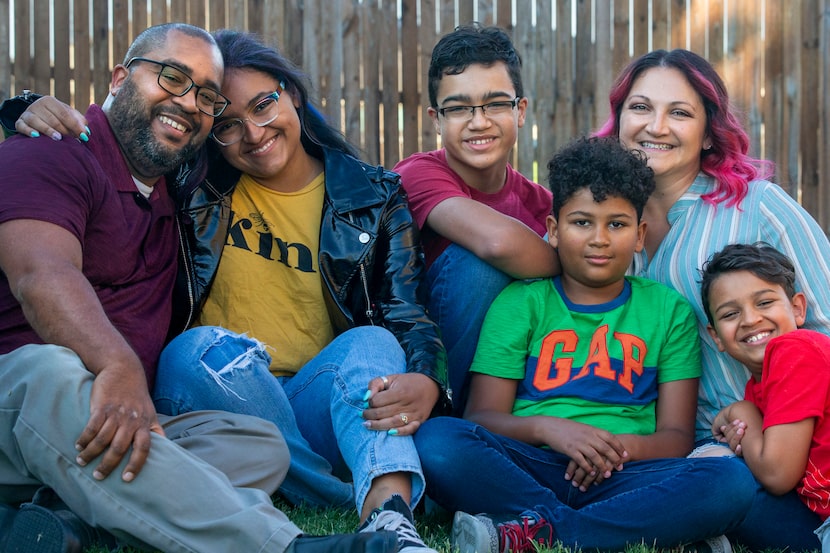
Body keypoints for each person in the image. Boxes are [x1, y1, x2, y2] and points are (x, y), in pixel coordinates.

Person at [4, 29, 448, 553]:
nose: (252, 132)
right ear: (120, 79)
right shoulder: (84, 162)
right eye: (172, 77)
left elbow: (402, 307)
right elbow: (44, 272)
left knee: (260, 445)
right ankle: (289, 544)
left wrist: (427, 376)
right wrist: (24, 109)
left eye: (207, 97)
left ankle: (46, 516)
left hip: (281, 403)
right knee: (71, 367)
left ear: (293, 96)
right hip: (67, 390)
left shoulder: (181, 185)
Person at [413, 136, 756, 553]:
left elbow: (676, 437)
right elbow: (484, 416)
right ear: (554, 230)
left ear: (639, 234)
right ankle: (638, 530)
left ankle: (537, 530)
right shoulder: (522, 302)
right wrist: (551, 430)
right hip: (532, 464)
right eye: (581, 222)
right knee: (439, 442)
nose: (599, 238)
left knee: (729, 480)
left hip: (625, 473)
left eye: (616, 224)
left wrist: (612, 451)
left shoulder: (669, 312)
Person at [594, 47, 830, 550]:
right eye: (640, 107)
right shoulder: (603, 228)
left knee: (728, 485)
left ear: (708, 132)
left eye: (679, 112)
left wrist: (763, 420)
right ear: (618, 120)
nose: (656, 126)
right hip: (679, 450)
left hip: (787, 457)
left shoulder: (760, 207)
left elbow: (826, 328)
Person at [394, 23, 559, 415]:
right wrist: (568, 262)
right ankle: (443, 413)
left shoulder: (540, 204)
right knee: (479, 266)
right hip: (425, 361)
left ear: (520, 111)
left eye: (496, 104)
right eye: (459, 108)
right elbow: (496, 243)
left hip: (508, 374)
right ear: (436, 119)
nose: (479, 121)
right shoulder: (417, 174)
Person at [700, 243, 827, 547]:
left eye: (764, 302)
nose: (750, 319)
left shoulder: (796, 350)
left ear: (797, 308)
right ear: (715, 336)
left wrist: (742, 414)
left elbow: (777, 472)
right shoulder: (759, 388)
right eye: (731, 313)